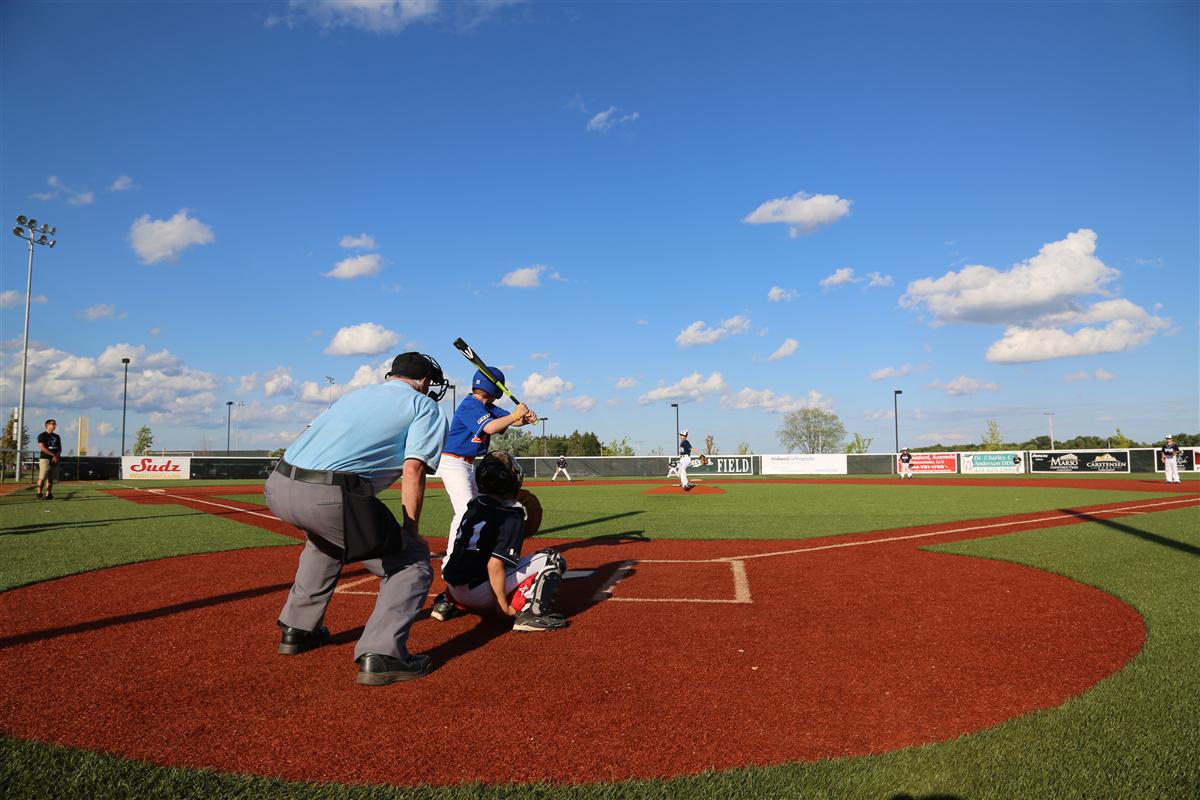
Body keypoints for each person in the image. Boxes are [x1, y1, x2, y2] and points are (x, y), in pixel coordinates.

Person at [265, 352, 450, 686]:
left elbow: (309, 432)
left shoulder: (356, 395)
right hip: (329, 493)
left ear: (392, 375)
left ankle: (298, 629)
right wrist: (410, 530)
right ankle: (383, 655)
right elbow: (414, 467)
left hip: (278, 484)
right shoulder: (424, 406)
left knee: (325, 544)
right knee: (410, 563)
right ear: (424, 382)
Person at [430, 367, 536, 621]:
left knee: (479, 508)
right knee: (467, 510)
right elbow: (489, 429)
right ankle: (450, 563)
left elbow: (510, 420)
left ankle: (477, 550)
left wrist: (525, 417)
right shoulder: (470, 406)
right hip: (453, 460)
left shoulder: (486, 407)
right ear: (496, 389)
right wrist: (515, 415)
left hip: (467, 462)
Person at [441, 451, 569, 632]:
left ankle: (447, 602)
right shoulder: (511, 515)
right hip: (478, 593)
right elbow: (495, 565)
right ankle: (532, 614)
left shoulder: (473, 505)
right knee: (553, 559)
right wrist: (502, 605)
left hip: (454, 588)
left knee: (475, 556)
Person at [36, 419, 62, 500]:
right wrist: (53, 455)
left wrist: (57, 456)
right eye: (53, 424)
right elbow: (42, 447)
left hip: (54, 459)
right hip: (45, 459)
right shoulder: (42, 435)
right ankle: (39, 494)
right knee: (42, 477)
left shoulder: (57, 436)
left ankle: (48, 494)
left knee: (51, 479)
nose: (54, 425)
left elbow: (60, 448)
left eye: (55, 424)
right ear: (47, 425)